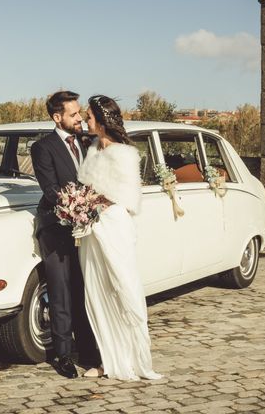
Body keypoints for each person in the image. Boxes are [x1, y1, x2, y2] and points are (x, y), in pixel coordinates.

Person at [77, 95, 162, 381]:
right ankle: (107, 360)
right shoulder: (91, 149)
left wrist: (95, 203)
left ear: (101, 123)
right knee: (98, 292)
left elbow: (125, 197)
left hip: (113, 226)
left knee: (123, 289)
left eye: (89, 117)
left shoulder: (125, 153)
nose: (84, 120)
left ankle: (133, 360)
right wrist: (80, 205)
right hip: (91, 230)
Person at [30, 90, 101, 379]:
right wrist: (75, 208)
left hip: (86, 228)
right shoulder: (43, 147)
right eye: (73, 114)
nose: (79, 118)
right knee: (60, 292)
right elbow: (50, 190)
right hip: (56, 227)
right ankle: (62, 355)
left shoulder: (87, 142)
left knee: (84, 289)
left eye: (79, 112)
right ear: (57, 118)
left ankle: (87, 350)